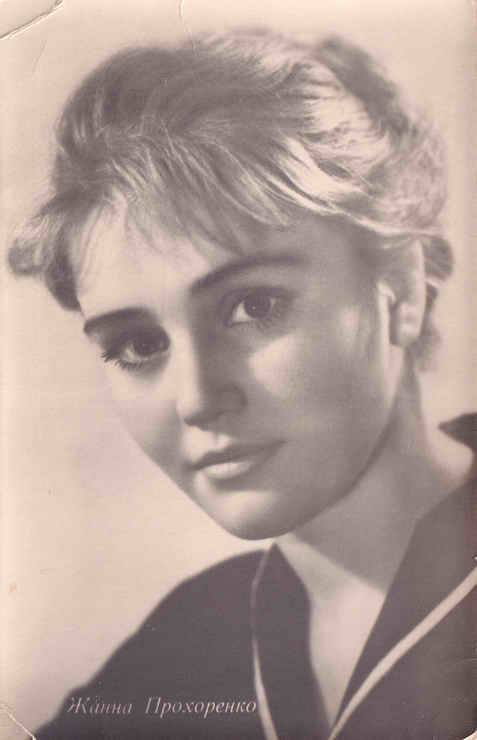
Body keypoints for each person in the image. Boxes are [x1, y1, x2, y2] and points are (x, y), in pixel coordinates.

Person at [8, 28, 476, 740]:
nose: (197, 399)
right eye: (138, 345)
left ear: (402, 289)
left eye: (255, 306)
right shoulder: (184, 645)